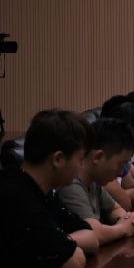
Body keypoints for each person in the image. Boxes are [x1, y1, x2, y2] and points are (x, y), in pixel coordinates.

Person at [0, 110, 98, 268]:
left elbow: (92, 238)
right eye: (80, 159)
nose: (81, 167)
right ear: (58, 159)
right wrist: (64, 244)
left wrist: (60, 241)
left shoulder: (43, 191)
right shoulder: (16, 197)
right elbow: (74, 261)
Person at [58, 118, 134, 246]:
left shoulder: (94, 179)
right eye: (121, 164)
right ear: (98, 157)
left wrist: (126, 220)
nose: (121, 172)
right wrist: (123, 228)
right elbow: (95, 234)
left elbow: (115, 209)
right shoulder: (70, 184)